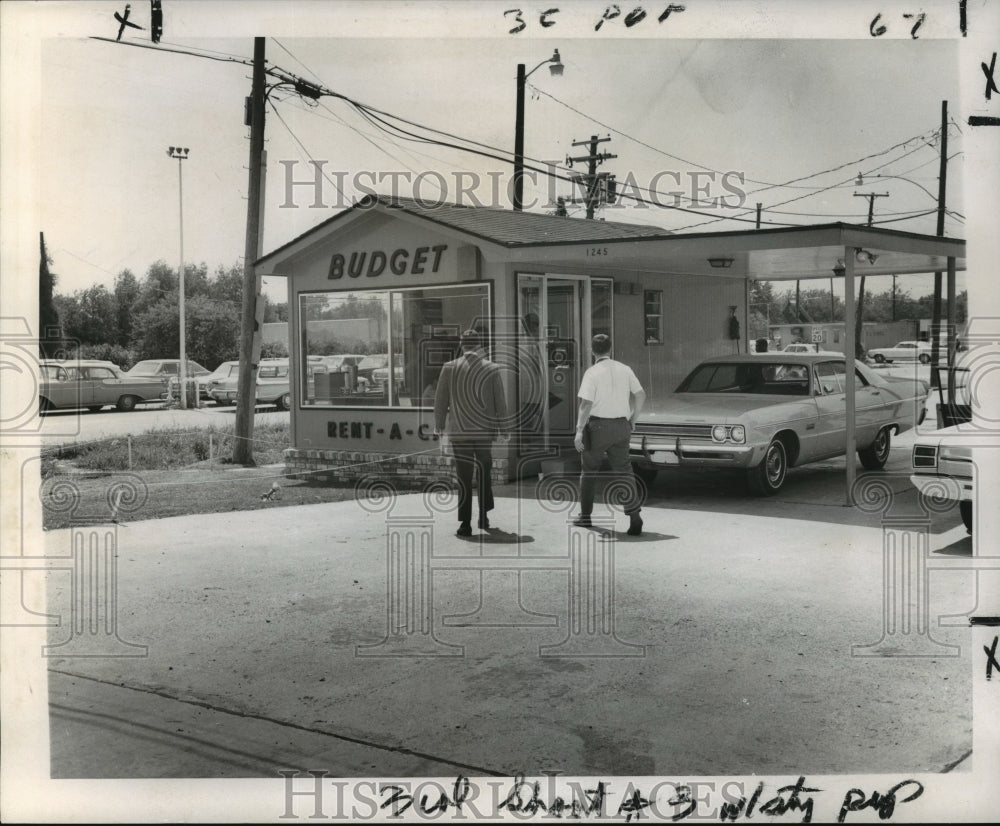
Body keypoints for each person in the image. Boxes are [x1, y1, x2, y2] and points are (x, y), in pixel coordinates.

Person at [434, 329, 509, 536]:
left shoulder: (449, 368)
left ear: (461, 344)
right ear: (478, 345)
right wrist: (505, 429)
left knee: (464, 477)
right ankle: (483, 516)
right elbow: (500, 402)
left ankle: (465, 524)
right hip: (484, 433)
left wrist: (439, 426)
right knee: (484, 473)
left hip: (459, 432)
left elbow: (440, 402)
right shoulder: (492, 369)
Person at [573, 334, 646, 536]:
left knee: (588, 472)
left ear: (592, 350)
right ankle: (633, 515)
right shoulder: (625, 369)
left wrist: (579, 430)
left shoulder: (592, 372)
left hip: (597, 428)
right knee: (624, 470)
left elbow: (585, 404)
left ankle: (585, 516)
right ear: (610, 349)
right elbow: (640, 394)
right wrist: (633, 419)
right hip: (622, 426)